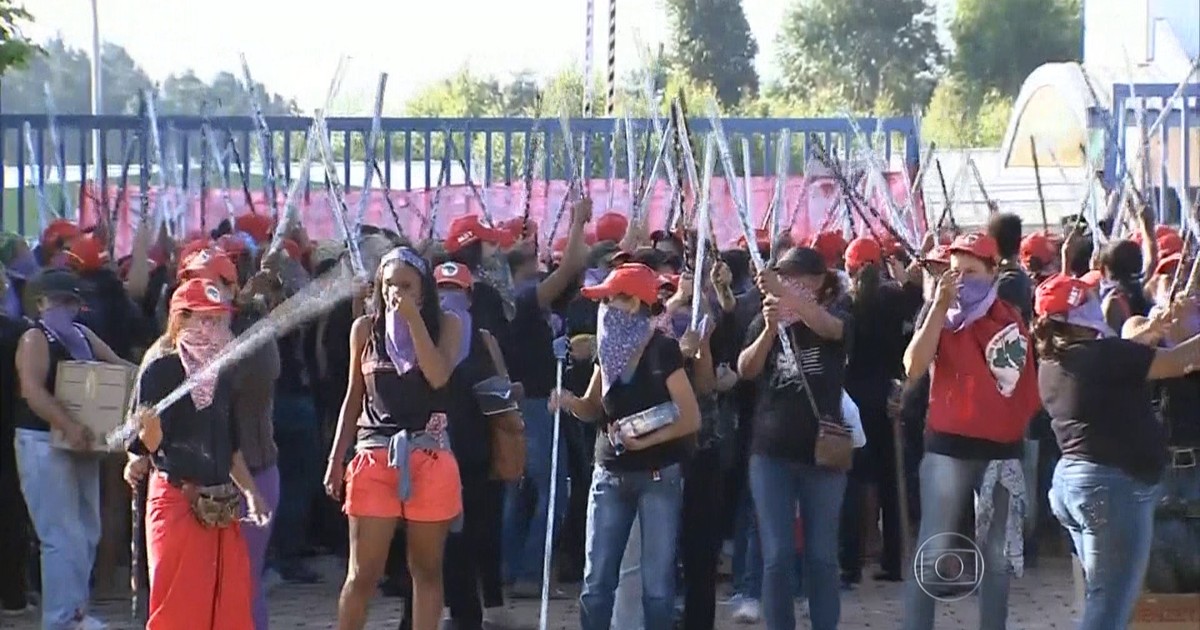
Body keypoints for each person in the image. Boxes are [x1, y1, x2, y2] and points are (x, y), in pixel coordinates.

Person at [1033, 273, 1200, 628]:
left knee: (1104, 595)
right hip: (1111, 489)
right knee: (1110, 608)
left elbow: (1127, 354)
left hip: (1076, 484)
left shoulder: (1055, 360)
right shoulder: (1101, 355)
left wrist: (1156, 325)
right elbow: (1179, 361)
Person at [901, 233, 1041, 630]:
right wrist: (940, 306)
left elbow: (1017, 386)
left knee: (996, 557)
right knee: (933, 549)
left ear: (994, 272)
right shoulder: (938, 315)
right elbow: (913, 368)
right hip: (947, 447)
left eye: (972, 272)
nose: (962, 280)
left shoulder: (1009, 319)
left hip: (1002, 451)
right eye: (955, 271)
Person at [550, 262, 701, 630]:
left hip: (658, 475)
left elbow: (690, 418)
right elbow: (592, 407)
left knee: (658, 588)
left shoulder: (663, 350)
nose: (604, 308)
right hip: (610, 475)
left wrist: (646, 439)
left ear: (634, 303)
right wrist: (567, 401)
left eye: (611, 299)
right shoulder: (609, 347)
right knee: (596, 583)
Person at [323, 246, 464, 630]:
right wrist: (336, 460)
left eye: (405, 284)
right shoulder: (365, 330)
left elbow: (437, 375)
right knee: (363, 573)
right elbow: (353, 397)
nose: (395, 293)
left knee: (426, 569)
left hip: (429, 452)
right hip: (374, 453)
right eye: (388, 285)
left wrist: (413, 321)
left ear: (423, 289)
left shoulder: (446, 323)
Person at [124, 278, 271, 629]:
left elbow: (230, 444)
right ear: (179, 321)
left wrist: (251, 493)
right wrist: (149, 430)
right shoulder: (161, 370)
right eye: (203, 319)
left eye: (219, 320)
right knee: (179, 608)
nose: (212, 329)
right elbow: (148, 447)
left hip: (222, 506)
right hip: (177, 501)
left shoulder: (223, 374)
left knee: (230, 607)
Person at [737, 246, 853, 630]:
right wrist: (770, 327)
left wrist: (788, 298)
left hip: (823, 453)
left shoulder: (837, 314)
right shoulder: (768, 320)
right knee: (778, 555)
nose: (789, 285)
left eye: (797, 278)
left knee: (822, 555)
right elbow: (747, 369)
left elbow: (830, 329)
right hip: (771, 453)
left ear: (819, 283)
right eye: (784, 278)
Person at [13, 269, 133, 630]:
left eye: (72, 301)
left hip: (83, 445)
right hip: (42, 443)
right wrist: (67, 425)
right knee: (60, 536)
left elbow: (119, 367)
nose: (67, 307)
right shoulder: (35, 338)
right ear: (40, 303)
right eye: (59, 301)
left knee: (87, 530)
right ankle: (60, 619)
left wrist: (158, 370)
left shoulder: (82, 335)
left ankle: (77, 612)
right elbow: (32, 390)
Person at [840, 237, 922, 585]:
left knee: (854, 482)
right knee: (891, 481)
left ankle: (850, 564)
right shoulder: (897, 299)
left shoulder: (846, 303)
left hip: (856, 397)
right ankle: (892, 560)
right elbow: (917, 305)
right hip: (890, 395)